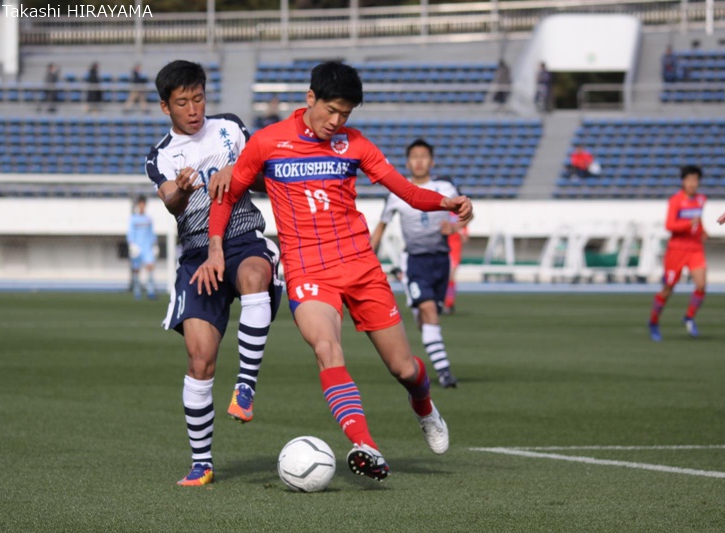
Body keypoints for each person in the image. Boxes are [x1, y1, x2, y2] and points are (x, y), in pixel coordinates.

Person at [192, 61, 473, 482]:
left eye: (346, 114)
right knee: (327, 349)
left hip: (360, 264)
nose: (336, 122)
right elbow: (226, 194)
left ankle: (425, 407)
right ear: (311, 99)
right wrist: (215, 249)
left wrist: (446, 203)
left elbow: (407, 191)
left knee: (404, 369)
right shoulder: (269, 143)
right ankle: (365, 445)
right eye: (331, 111)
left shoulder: (355, 144)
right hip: (307, 268)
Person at [146, 60, 282, 486]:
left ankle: (245, 387)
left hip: (243, 237)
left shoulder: (231, 128)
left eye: (199, 98)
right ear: (165, 106)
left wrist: (240, 173)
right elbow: (169, 199)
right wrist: (183, 191)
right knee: (200, 359)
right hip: (197, 254)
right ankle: (202, 463)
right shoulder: (162, 155)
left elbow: (264, 176)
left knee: (256, 276)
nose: (193, 109)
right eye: (182, 102)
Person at [370, 139, 469, 389]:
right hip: (414, 262)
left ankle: (428, 335)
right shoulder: (397, 192)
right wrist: (368, 257)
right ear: (408, 162)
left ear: (431, 161)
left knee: (426, 317)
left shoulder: (445, 187)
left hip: (440, 261)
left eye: (424, 156)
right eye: (414, 157)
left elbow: (467, 213)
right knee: (429, 312)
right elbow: (381, 227)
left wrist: (456, 225)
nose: (419, 161)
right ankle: (445, 373)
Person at [648, 165, 707, 342]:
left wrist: (703, 231)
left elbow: (698, 220)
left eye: (695, 180)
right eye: (689, 180)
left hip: (695, 248)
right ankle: (653, 321)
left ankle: (689, 317)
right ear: (683, 181)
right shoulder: (675, 200)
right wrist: (688, 224)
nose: (692, 183)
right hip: (677, 250)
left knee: (701, 285)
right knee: (668, 289)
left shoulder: (701, 199)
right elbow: (669, 225)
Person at [127, 195, 157, 300]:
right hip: (137, 247)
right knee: (136, 270)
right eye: (140, 204)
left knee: (150, 267)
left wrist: (154, 244)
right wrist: (132, 245)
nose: (142, 206)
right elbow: (130, 233)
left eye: (143, 204)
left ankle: (151, 291)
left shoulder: (148, 219)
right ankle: (137, 292)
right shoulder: (133, 219)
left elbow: (151, 233)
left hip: (147, 247)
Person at [444, 212, 468, 315]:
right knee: (442, 277)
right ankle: (441, 302)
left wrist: (460, 232)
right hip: (442, 248)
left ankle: (449, 304)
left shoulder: (459, 215)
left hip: (454, 249)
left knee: (451, 277)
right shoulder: (443, 212)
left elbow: (465, 237)